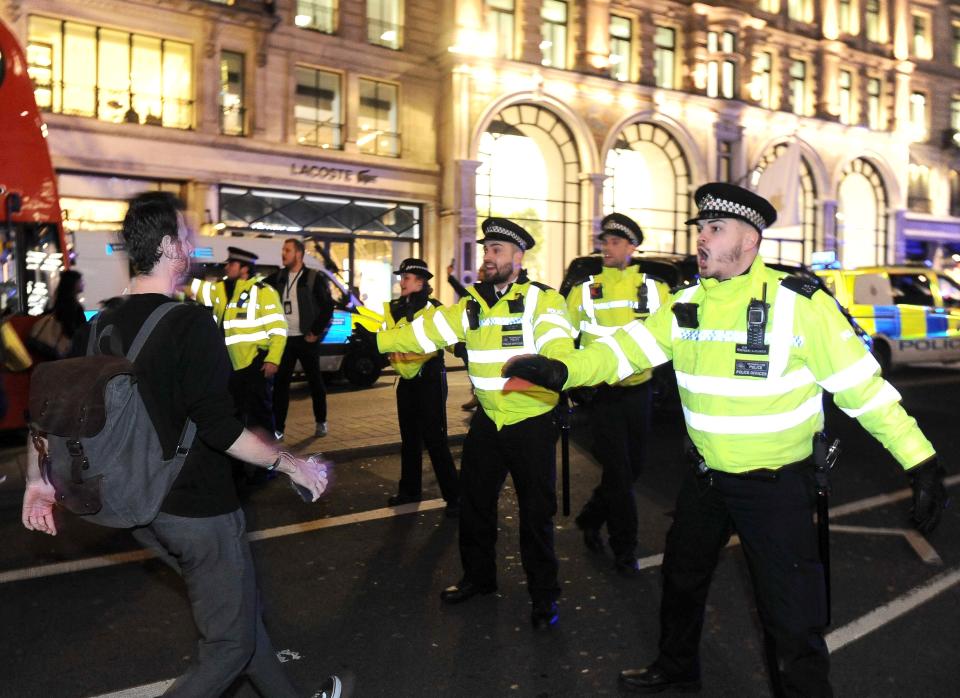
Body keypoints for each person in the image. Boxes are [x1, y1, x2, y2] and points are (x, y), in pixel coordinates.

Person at [504, 183, 947, 695]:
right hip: (707, 481)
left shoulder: (798, 305)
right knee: (681, 579)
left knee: (790, 617)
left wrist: (920, 462)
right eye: (702, 229)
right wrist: (563, 369)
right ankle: (676, 667)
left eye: (716, 229)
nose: (703, 240)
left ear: (750, 243)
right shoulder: (687, 303)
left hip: (775, 487)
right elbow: (622, 351)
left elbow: (863, 391)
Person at [21, 191, 342, 698]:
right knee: (230, 645)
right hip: (199, 511)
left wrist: (40, 482)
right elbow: (220, 428)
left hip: (137, 508)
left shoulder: (98, 323)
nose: (193, 246)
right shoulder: (191, 322)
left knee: (237, 617)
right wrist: (292, 465)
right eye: (188, 236)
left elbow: (51, 414)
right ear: (170, 247)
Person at [370, 217, 575, 630]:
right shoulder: (473, 304)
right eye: (486, 251)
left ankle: (543, 595)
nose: (488, 258)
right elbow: (425, 333)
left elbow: (557, 343)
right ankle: (479, 579)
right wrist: (378, 341)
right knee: (474, 505)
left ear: (518, 257)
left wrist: (555, 364)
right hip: (489, 422)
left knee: (536, 514)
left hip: (531, 423)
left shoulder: (543, 301)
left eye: (497, 251)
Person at [565, 213, 670, 576]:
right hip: (604, 395)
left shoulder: (655, 289)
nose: (605, 248)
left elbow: (673, 332)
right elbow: (564, 335)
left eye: (613, 242)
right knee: (621, 474)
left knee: (632, 468)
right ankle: (625, 548)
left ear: (631, 247)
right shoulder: (585, 289)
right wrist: (571, 378)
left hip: (639, 392)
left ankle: (591, 517)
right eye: (604, 241)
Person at [382, 258, 460, 516]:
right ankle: (409, 491)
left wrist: (462, 349)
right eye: (401, 278)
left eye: (405, 278)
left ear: (420, 281)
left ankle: (455, 497)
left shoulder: (434, 309)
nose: (401, 282)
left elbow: (449, 338)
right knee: (410, 440)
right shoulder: (394, 308)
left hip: (430, 380)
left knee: (436, 440)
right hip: (406, 381)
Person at [190, 247, 287, 441]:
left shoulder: (263, 292)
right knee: (235, 418)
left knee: (260, 417)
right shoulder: (221, 289)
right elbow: (196, 290)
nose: (227, 267)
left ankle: (266, 466)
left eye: (231, 263)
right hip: (229, 366)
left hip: (255, 364)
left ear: (244, 268)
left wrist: (273, 360)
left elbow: (278, 329)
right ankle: (240, 464)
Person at [265, 238, 335, 439]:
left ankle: (321, 421)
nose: (283, 253)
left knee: (315, 382)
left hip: (306, 340)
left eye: (287, 250)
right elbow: (258, 287)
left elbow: (327, 307)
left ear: (298, 254)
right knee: (281, 385)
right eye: (283, 250)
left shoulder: (313, 277)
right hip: (285, 340)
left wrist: (315, 332)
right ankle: (278, 428)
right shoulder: (279, 277)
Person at [28, 269, 86, 360]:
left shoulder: (59, 302)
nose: (83, 284)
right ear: (73, 284)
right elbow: (72, 329)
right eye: (80, 281)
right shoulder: (74, 307)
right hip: (64, 351)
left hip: (51, 350)